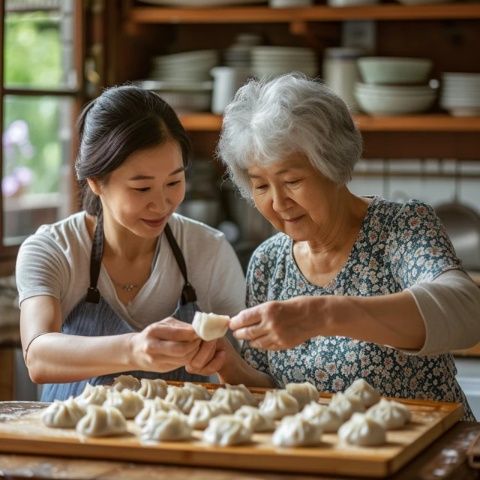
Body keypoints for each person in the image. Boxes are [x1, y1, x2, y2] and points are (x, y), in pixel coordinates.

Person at [187, 73, 480, 420]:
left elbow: (467, 314)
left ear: (334, 167)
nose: (278, 202)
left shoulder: (401, 228)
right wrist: (228, 365)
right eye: (261, 186)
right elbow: (274, 395)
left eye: (292, 181)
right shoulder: (269, 261)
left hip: (426, 457)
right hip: (329, 458)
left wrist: (321, 314)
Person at [16, 85, 245, 402]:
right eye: (141, 188)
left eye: (174, 182)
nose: (162, 203)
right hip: (71, 442)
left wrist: (219, 359)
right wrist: (135, 349)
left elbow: (243, 370)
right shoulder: (54, 249)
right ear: (96, 182)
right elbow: (38, 356)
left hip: (177, 446)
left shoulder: (208, 250)